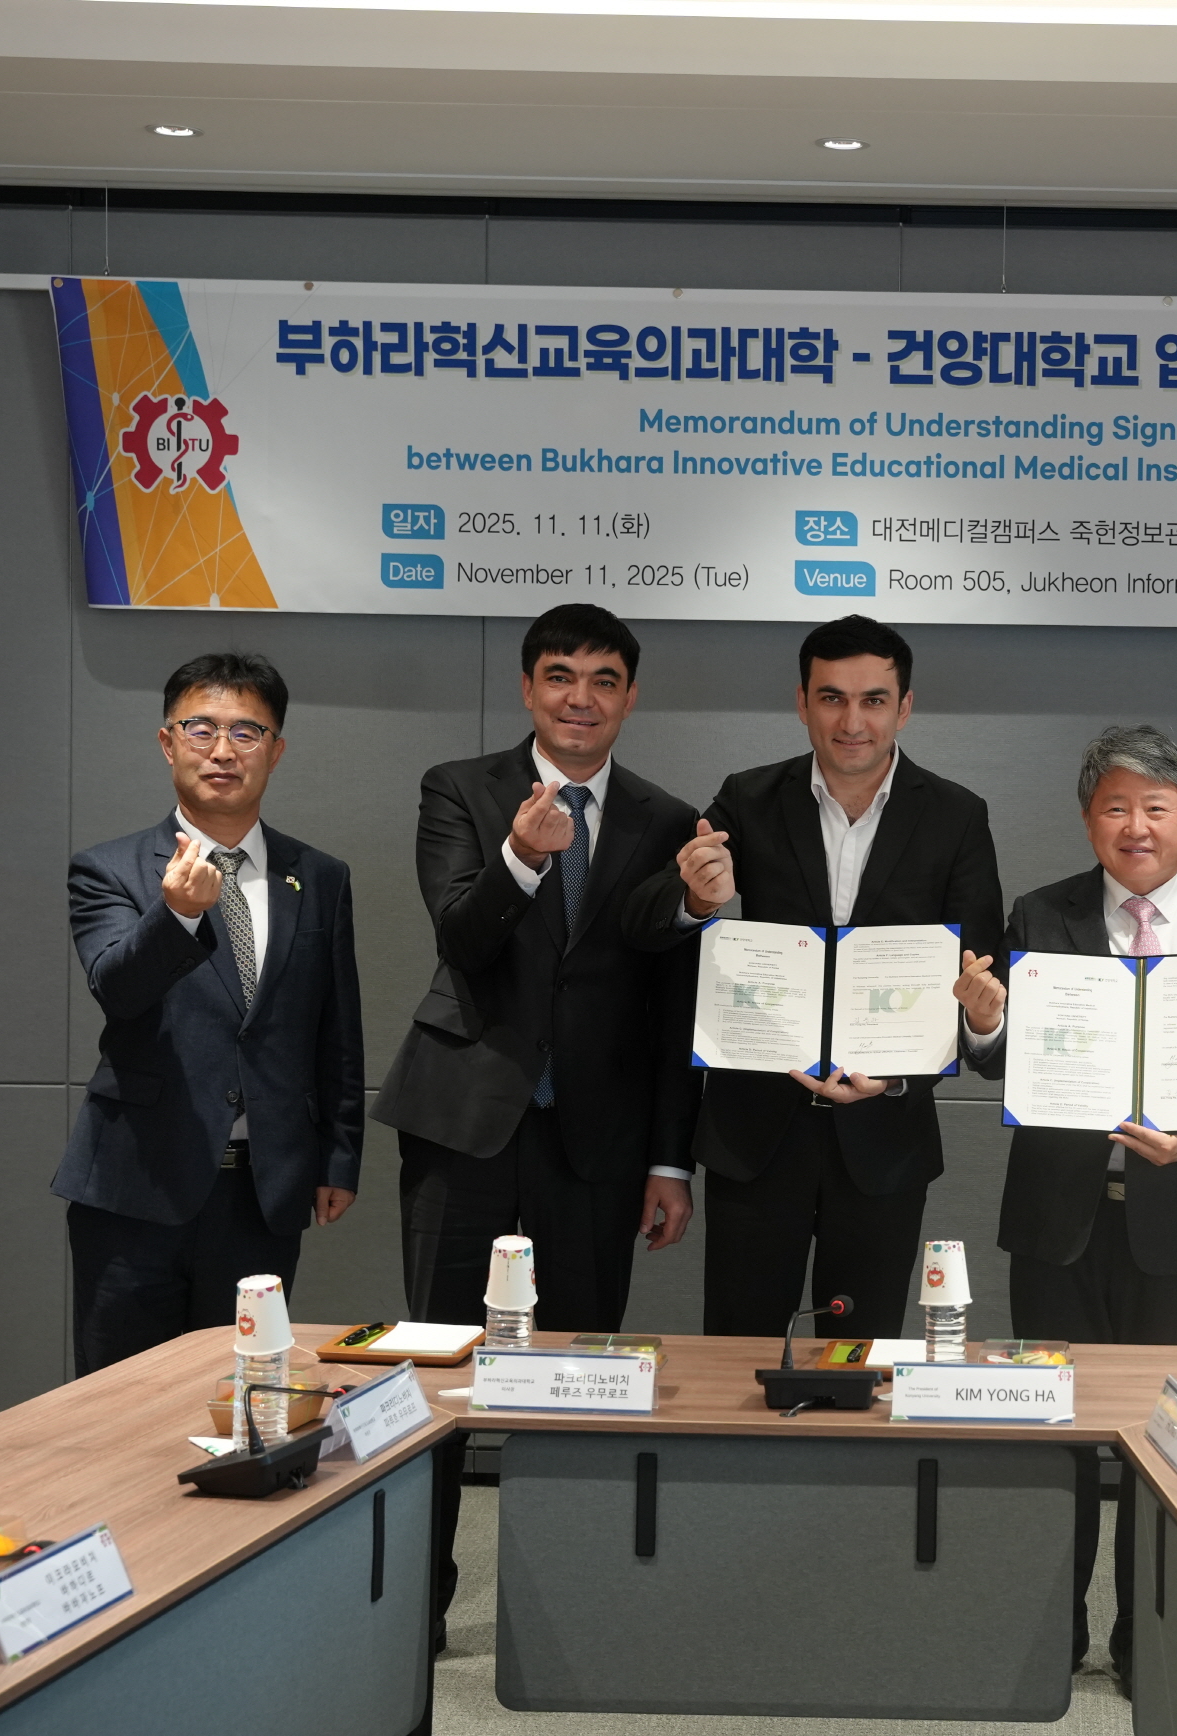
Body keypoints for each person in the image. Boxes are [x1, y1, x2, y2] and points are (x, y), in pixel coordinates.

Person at [373, 605, 702, 1656]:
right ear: (527, 687)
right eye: (560, 675)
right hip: (463, 1122)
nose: (579, 698)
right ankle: (416, 1607)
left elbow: (671, 1010)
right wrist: (520, 854)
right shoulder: (460, 789)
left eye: (604, 679)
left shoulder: (667, 818)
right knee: (441, 1374)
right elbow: (461, 937)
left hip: (596, 1145)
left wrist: (669, 1159)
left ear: (630, 696)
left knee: (583, 1382)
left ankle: (567, 1609)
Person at [964, 723, 1177, 1686]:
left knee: (1174, 1446)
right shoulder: (1041, 913)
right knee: (1055, 1435)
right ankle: (1051, 1637)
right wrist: (984, 1023)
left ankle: (1146, 1641)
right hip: (1060, 1225)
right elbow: (999, 1059)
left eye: (1156, 808)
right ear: (1089, 820)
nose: (1136, 827)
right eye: (1116, 807)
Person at [625, 615, 1003, 1341]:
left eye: (873, 700)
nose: (852, 722)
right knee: (738, 1350)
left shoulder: (956, 816)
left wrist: (897, 1078)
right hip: (755, 1135)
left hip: (885, 1138)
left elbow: (978, 972)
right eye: (832, 698)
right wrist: (696, 897)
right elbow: (644, 924)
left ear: (904, 707)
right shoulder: (748, 798)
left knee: (861, 1359)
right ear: (802, 703)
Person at [56, 653, 362, 1376]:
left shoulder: (318, 876)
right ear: (168, 743)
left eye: (246, 732)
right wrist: (177, 916)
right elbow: (117, 989)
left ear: (275, 752)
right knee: (124, 1399)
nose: (223, 750)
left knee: (242, 1392)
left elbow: (336, 1027)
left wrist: (339, 1154)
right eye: (201, 728)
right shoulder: (109, 868)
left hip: (263, 1193)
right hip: (136, 1187)